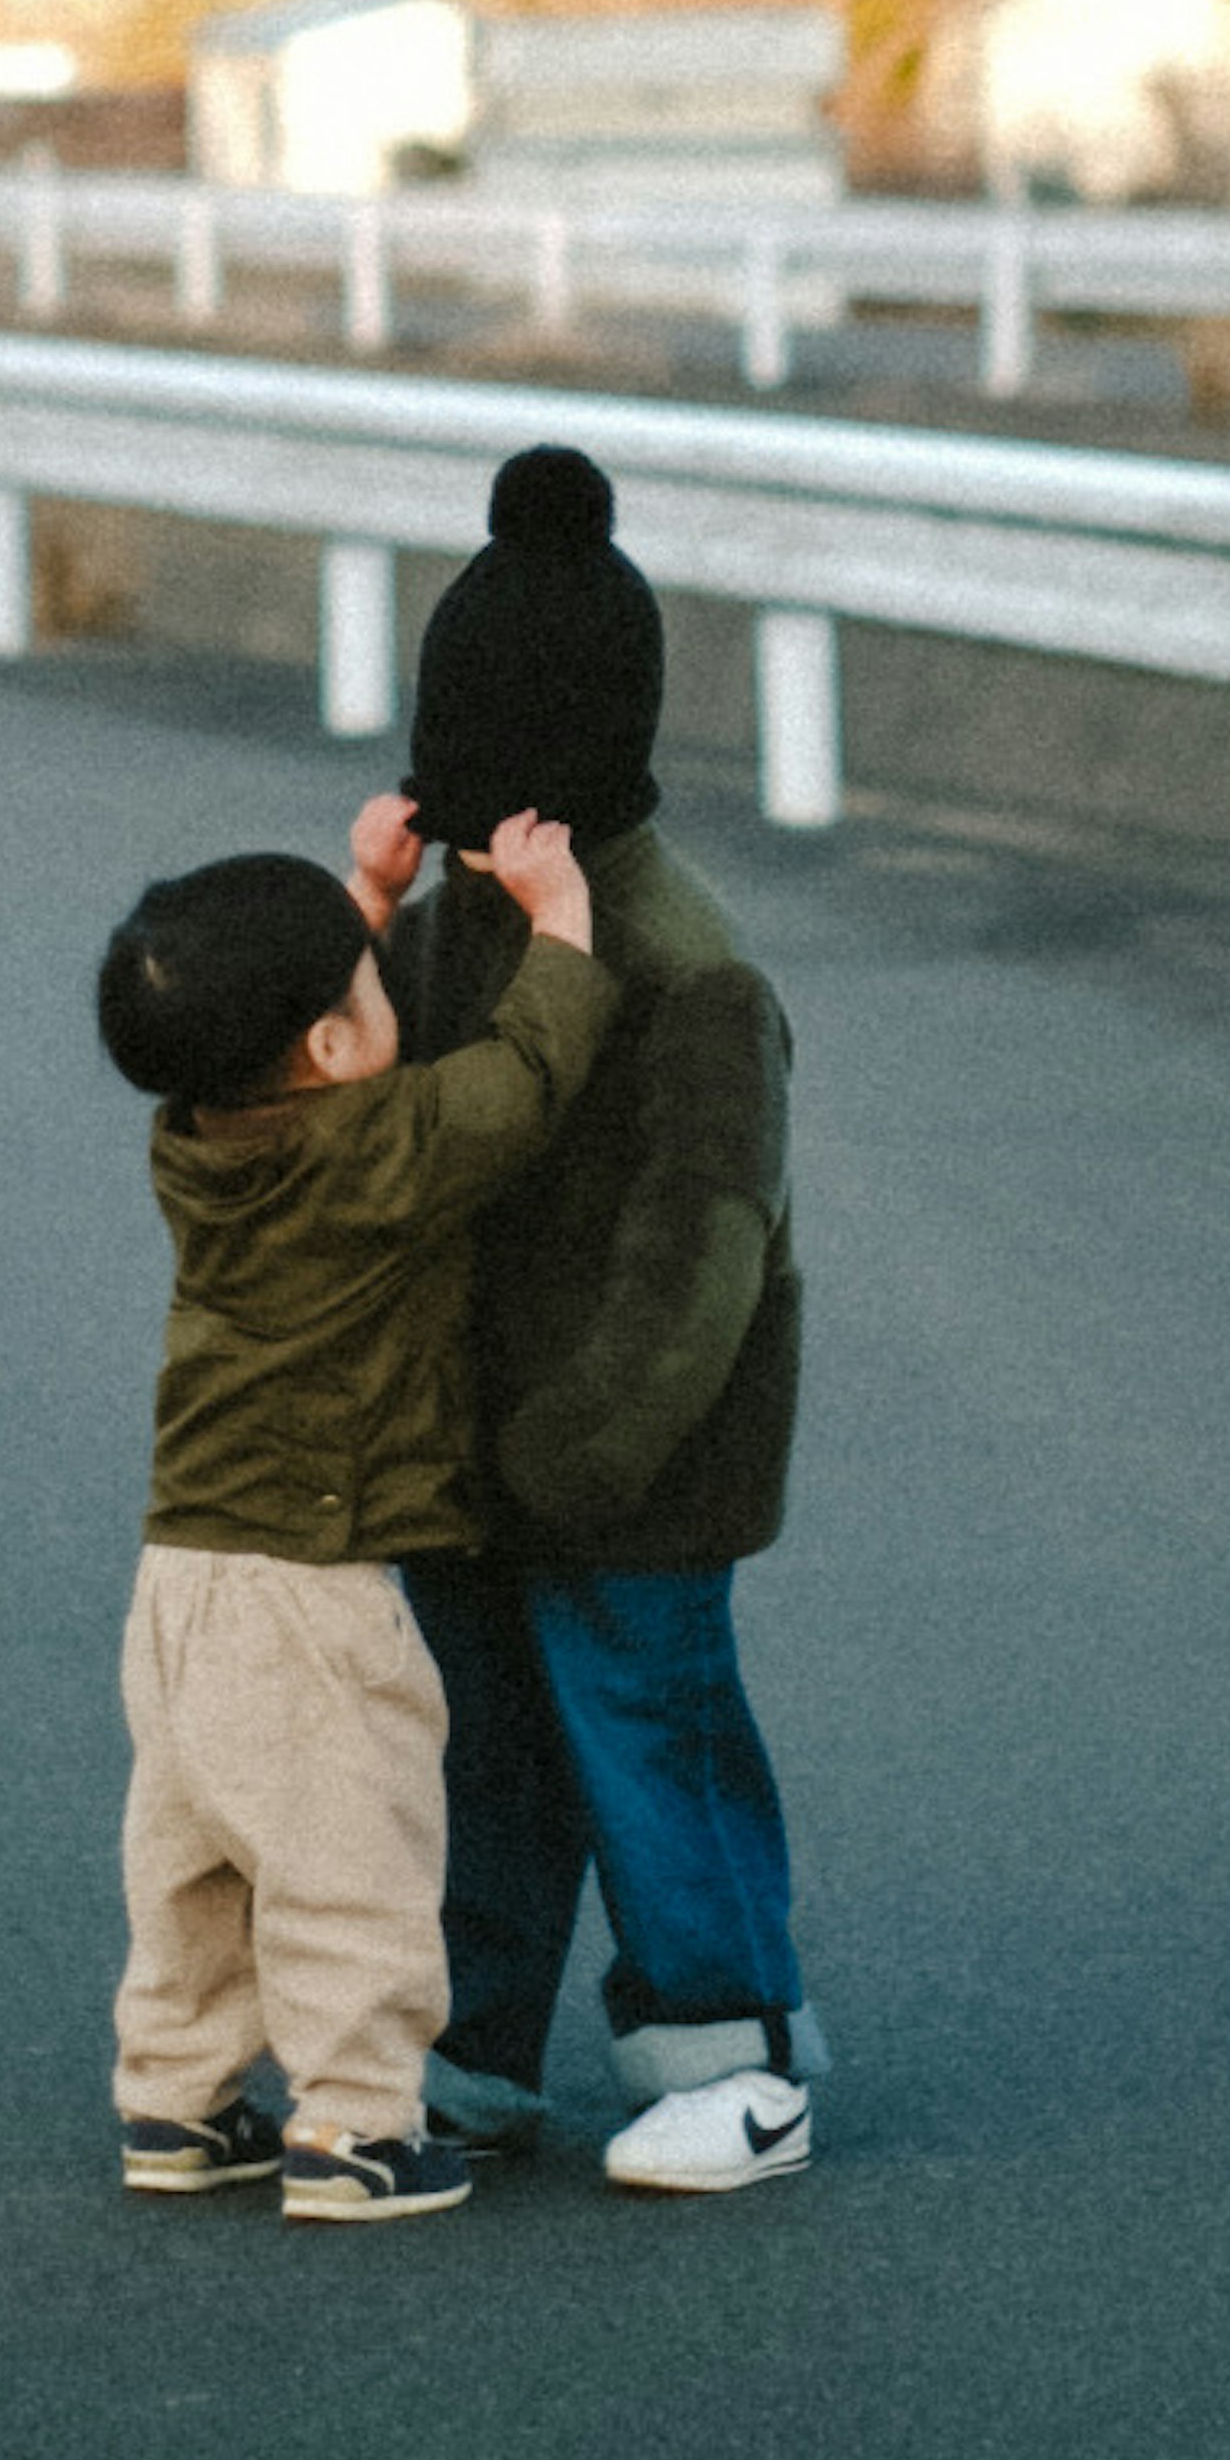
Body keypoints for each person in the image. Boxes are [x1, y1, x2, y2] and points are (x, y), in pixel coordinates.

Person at [372, 443, 823, 2199]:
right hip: (478, 1448)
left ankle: (741, 2049)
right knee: (480, 1746)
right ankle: (470, 2049)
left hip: (637, 1464)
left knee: (655, 1733)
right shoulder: (459, 925)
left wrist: (583, 1445)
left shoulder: (691, 970)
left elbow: (702, 1250)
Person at [92, 800, 612, 2220]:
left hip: (180, 1577)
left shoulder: (196, 1146)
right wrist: (558, 914)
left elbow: (277, 1025)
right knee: (353, 1857)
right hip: (309, 1587)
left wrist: (360, 901)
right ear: (332, 1048)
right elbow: (523, 1078)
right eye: (369, 989)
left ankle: (178, 2101)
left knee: (192, 1860)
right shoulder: (374, 1153)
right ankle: (359, 2128)